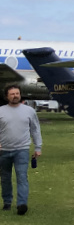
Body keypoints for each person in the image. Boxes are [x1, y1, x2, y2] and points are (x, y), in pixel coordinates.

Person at [0, 84, 42, 215]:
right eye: (12, 94)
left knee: (22, 176)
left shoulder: (29, 111)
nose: (15, 96)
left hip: (22, 150)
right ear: (7, 96)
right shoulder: (1, 111)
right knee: (5, 178)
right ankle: (7, 202)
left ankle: (21, 204)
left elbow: (35, 129)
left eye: (17, 93)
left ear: (20, 94)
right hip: (4, 150)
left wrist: (38, 147)